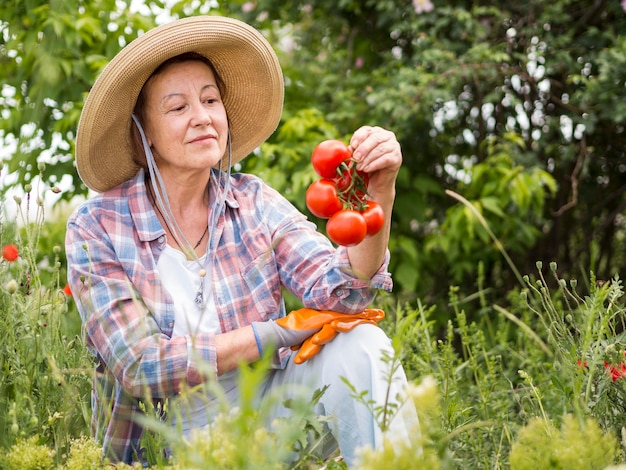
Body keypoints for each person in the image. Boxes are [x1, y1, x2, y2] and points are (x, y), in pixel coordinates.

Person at [65, 15, 416, 467]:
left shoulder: (252, 201)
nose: (202, 117)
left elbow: (347, 293)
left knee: (362, 345)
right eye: (177, 108)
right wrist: (277, 332)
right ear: (143, 133)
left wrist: (379, 194)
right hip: (165, 445)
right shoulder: (97, 226)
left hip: (267, 415)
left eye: (210, 100)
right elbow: (141, 365)